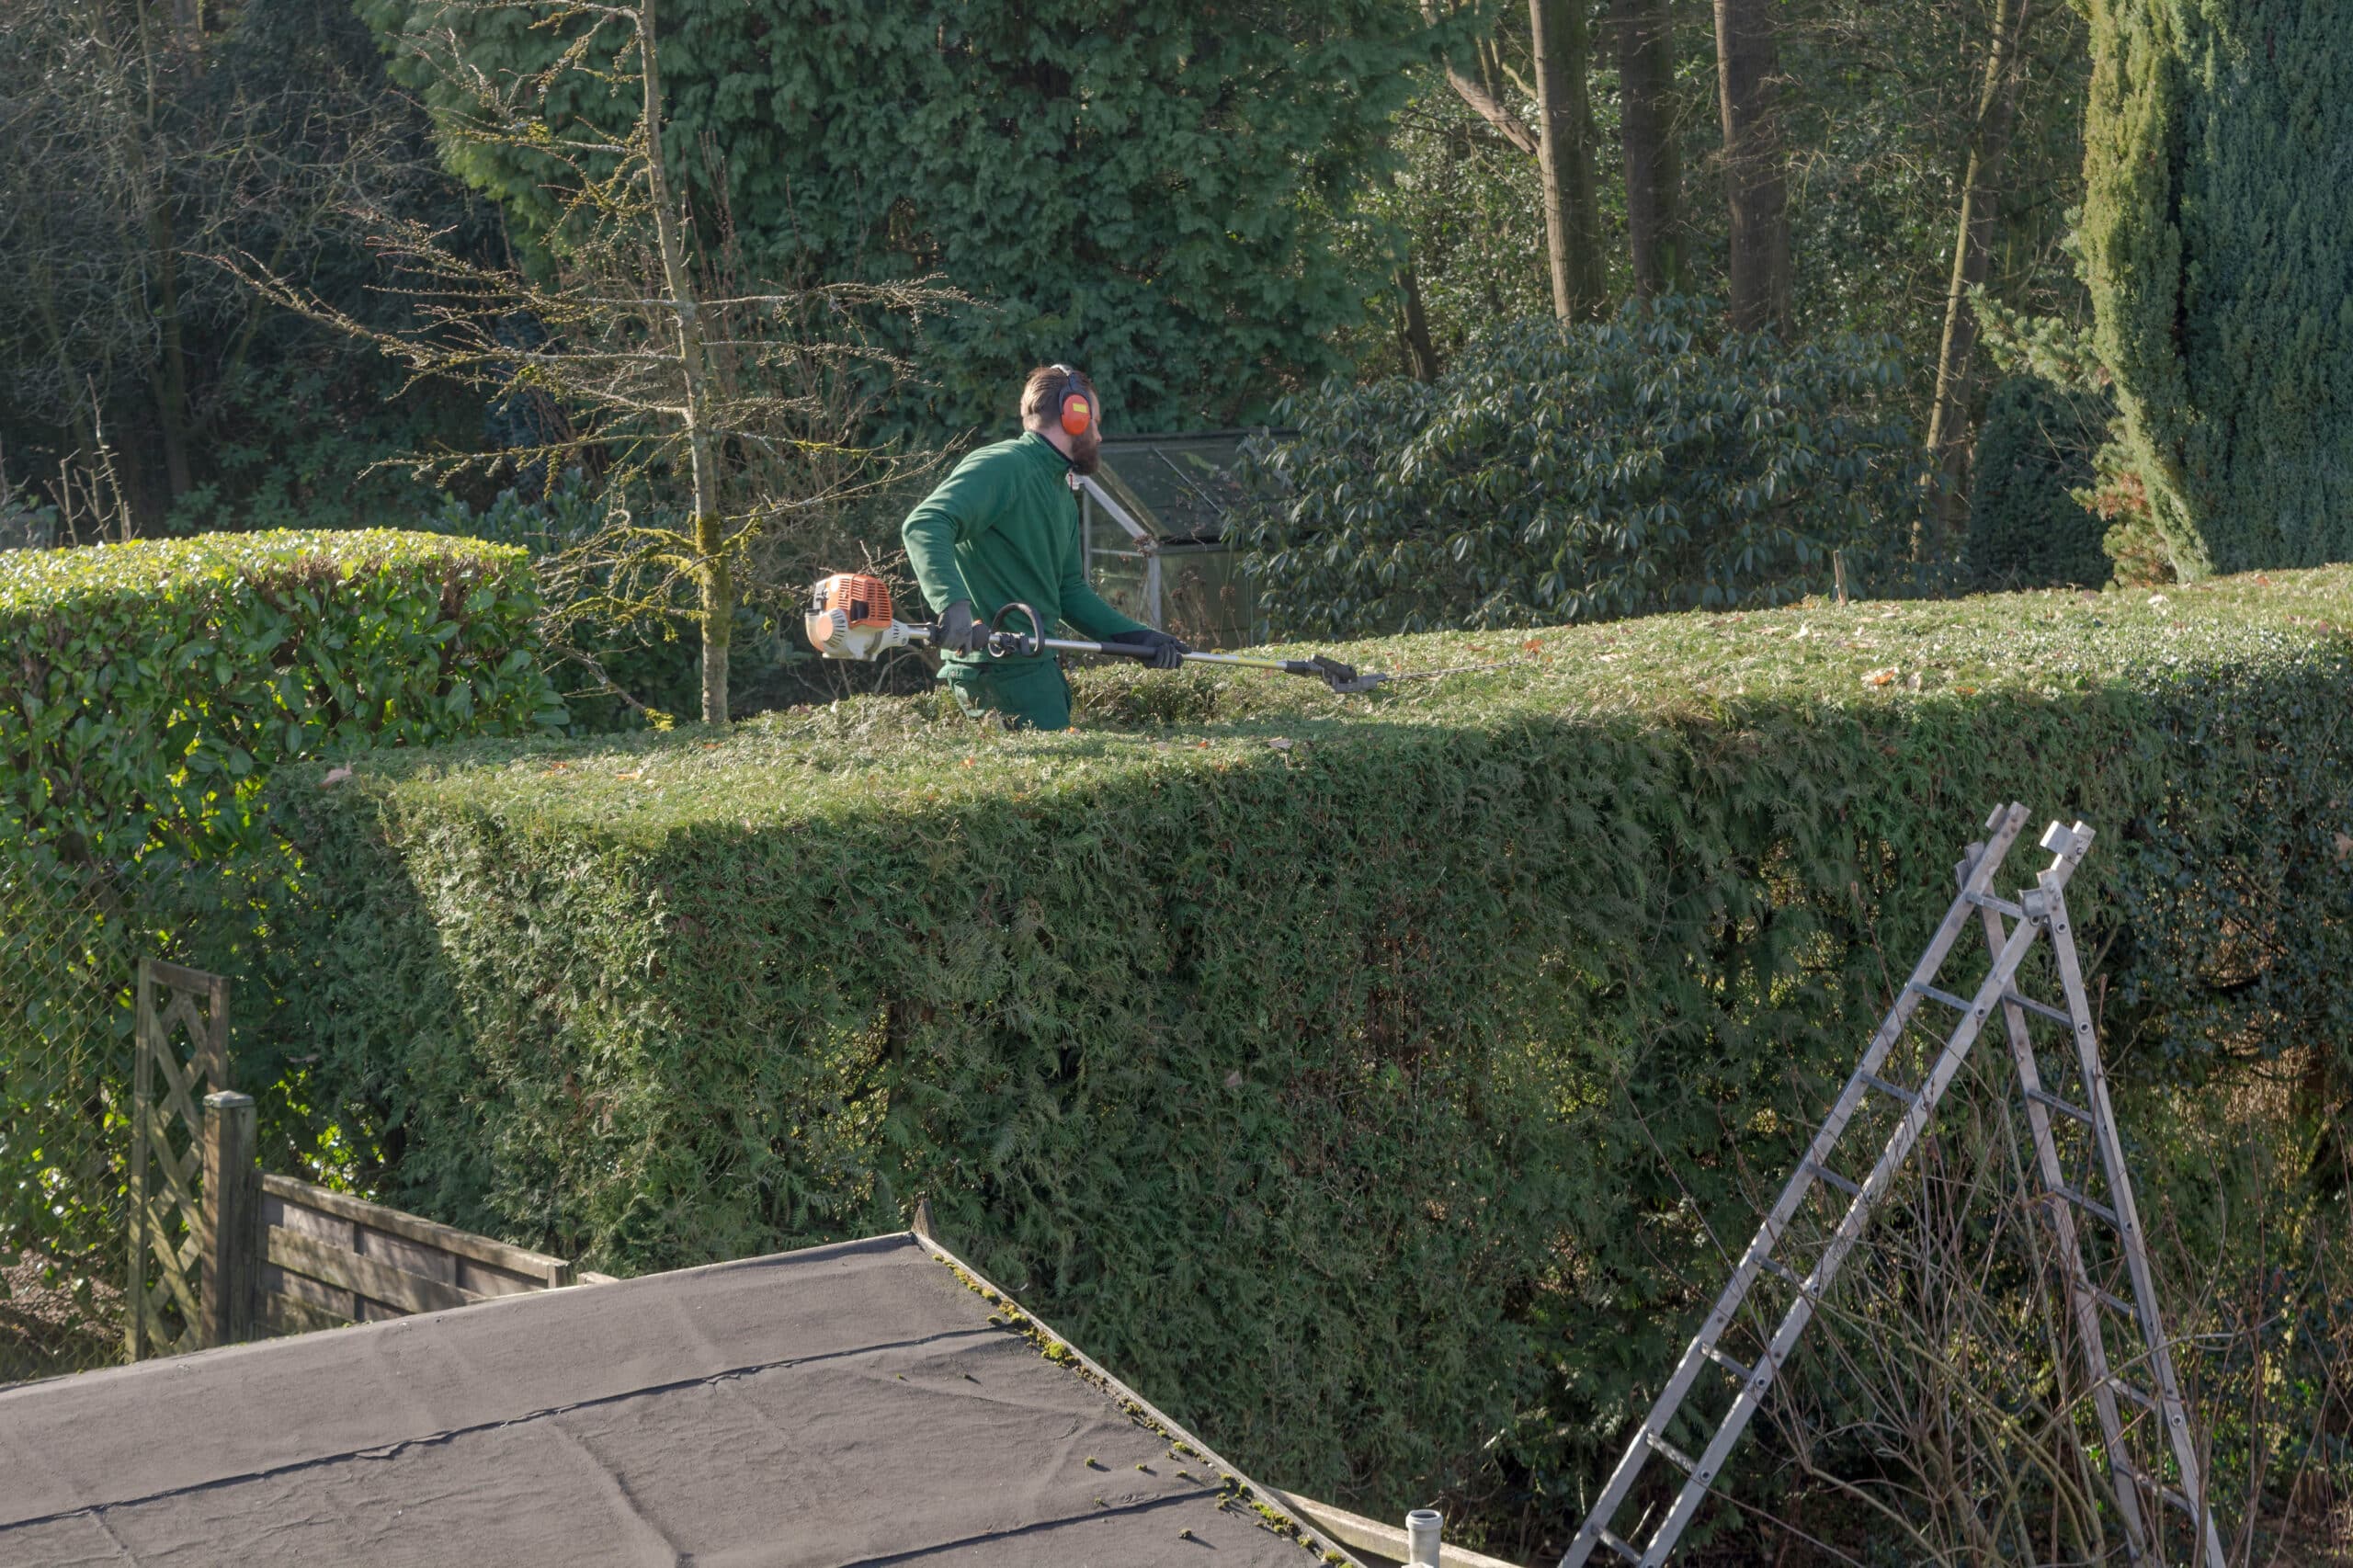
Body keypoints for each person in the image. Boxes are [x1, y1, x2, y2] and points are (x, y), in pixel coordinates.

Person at [901, 364, 1187, 729]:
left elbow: (1069, 591)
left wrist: (1139, 638)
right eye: (1095, 422)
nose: (1099, 436)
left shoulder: (1059, 493)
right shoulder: (1004, 465)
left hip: (1034, 669)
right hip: (999, 672)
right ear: (1074, 417)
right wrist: (952, 604)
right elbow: (926, 524)